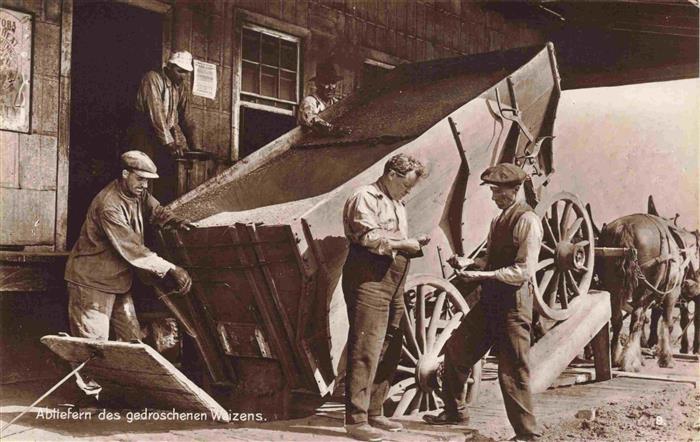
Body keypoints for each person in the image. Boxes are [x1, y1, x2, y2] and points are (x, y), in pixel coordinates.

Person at [422, 163, 543, 441]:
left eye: (498, 192)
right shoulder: (498, 220)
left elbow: (523, 271)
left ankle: (528, 435)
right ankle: (455, 411)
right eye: (492, 191)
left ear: (516, 190)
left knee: (512, 370)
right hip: (490, 302)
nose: (493, 197)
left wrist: (481, 274)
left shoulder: (528, 221)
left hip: (513, 304)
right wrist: (468, 263)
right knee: (456, 349)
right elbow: (489, 258)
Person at [342, 153, 431, 442]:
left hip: (394, 278)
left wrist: (411, 243)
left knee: (391, 344)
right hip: (369, 278)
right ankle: (356, 420)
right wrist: (406, 243)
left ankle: (375, 411)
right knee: (366, 346)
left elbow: (389, 237)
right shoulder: (365, 197)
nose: (409, 191)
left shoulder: (397, 202)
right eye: (406, 184)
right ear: (392, 173)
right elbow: (368, 237)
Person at [65, 150, 193, 345]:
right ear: (125, 174)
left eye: (148, 180)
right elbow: (133, 249)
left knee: (132, 341)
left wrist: (176, 221)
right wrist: (171, 268)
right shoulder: (109, 205)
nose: (145, 184)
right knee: (93, 348)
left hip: (117, 282)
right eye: (140, 179)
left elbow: (156, 211)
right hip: (92, 284)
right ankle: (87, 377)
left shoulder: (138, 193)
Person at [125, 50, 201, 204]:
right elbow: (156, 113)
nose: (183, 76)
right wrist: (170, 142)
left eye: (186, 72)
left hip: (163, 134)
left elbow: (187, 118)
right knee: (144, 175)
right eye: (180, 71)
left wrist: (196, 147)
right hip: (144, 132)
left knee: (164, 176)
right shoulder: (152, 78)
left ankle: (156, 217)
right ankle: (139, 215)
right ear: (170, 66)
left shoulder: (180, 88)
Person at [298, 60, 351, 137]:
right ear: (317, 84)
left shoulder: (336, 103)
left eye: (333, 83)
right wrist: (333, 129)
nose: (330, 87)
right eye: (326, 83)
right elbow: (311, 120)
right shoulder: (310, 102)